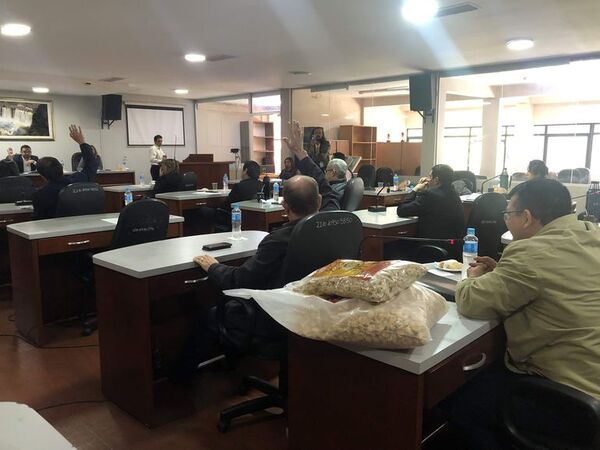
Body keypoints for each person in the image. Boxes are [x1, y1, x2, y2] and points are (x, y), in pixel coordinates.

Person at [446, 178, 600, 449]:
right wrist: (502, 272)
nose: (506, 221)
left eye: (508, 214)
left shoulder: (531, 252)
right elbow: (549, 281)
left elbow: (471, 301)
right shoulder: (590, 234)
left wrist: (473, 276)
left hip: (569, 402)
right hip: (592, 382)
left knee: (456, 401)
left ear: (526, 217)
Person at [172, 174, 324, 380]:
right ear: (319, 201)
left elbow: (240, 280)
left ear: (284, 206)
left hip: (273, 318)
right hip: (315, 313)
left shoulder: (278, 240)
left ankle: (179, 379)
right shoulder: (330, 230)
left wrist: (214, 267)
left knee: (206, 316)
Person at [32, 125, 99, 220]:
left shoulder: (41, 194)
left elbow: (39, 220)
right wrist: (82, 142)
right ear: (61, 169)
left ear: (42, 176)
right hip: (86, 226)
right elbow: (92, 164)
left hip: (57, 232)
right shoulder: (80, 179)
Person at [397, 164, 465, 240]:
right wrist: (426, 191)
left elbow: (402, 210)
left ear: (436, 179)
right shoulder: (454, 193)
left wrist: (415, 189)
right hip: (452, 245)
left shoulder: (430, 194)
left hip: (433, 244)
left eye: (430, 177)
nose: (428, 180)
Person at [286, 121, 340, 211]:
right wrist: (304, 154)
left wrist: (301, 155)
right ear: (319, 201)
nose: (318, 135)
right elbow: (327, 192)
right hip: (313, 170)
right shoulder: (331, 209)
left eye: (320, 133)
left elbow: (323, 157)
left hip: (319, 168)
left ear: (285, 205)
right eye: (316, 133)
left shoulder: (325, 144)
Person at [195, 161, 263, 229]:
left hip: (229, 216)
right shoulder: (261, 185)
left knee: (201, 209)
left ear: (245, 171)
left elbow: (226, 205)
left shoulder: (239, 186)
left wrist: (215, 204)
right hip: (248, 219)